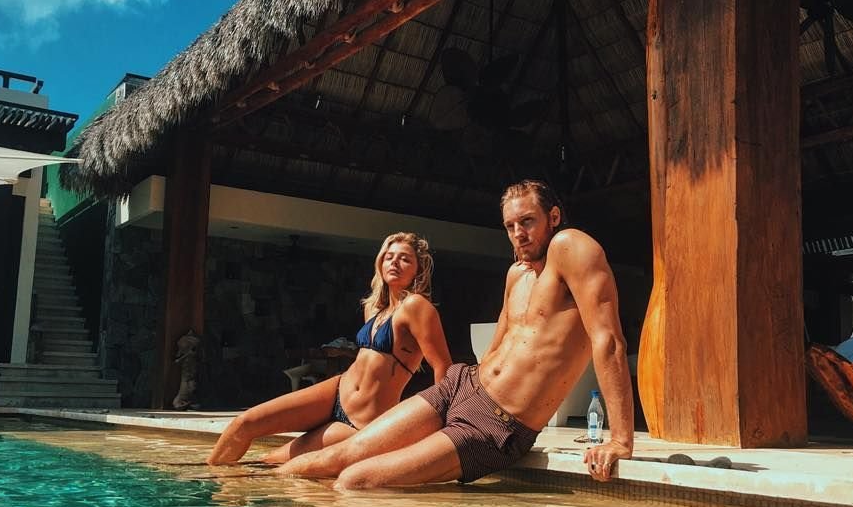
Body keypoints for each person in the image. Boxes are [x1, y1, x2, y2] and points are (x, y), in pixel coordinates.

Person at [276, 179, 634, 487]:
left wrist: (620, 439)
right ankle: (257, 501)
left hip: (497, 425)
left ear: (553, 217)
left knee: (354, 480)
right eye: (510, 225)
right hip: (462, 386)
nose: (518, 234)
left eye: (527, 221)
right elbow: (497, 346)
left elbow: (609, 341)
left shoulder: (570, 246)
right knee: (339, 456)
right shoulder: (517, 274)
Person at [206, 232, 452, 465]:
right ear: (380, 263)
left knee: (272, 462)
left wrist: (440, 424)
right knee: (243, 424)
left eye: (405, 259)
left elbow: (442, 366)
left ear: (418, 270)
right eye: (389, 257)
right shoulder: (373, 308)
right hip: (336, 391)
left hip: (363, 421)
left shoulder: (417, 306)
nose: (394, 262)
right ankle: (207, 486)